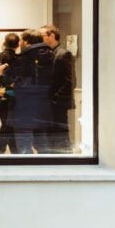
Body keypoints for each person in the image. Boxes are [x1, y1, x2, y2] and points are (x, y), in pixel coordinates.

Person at [1, 30, 55, 154]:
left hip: (22, 107)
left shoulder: (23, 58)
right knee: (42, 144)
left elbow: (6, 78)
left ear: (26, 42)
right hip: (42, 106)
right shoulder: (52, 56)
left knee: (24, 146)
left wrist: (11, 84)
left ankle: (26, 170)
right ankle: (46, 170)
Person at [41, 24, 75, 153]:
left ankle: (64, 161)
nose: (40, 39)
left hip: (58, 104)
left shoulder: (63, 54)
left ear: (52, 36)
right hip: (51, 104)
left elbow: (70, 82)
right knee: (51, 136)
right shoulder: (50, 53)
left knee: (60, 136)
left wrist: (54, 99)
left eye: (42, 36)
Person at [0, 33, 19, 154]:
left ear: (4, 43)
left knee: (7, 123)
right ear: (18, 44)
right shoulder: (19, 58)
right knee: (8, 123)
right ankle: (0, 150)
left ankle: (12, 150)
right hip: (13, 93)